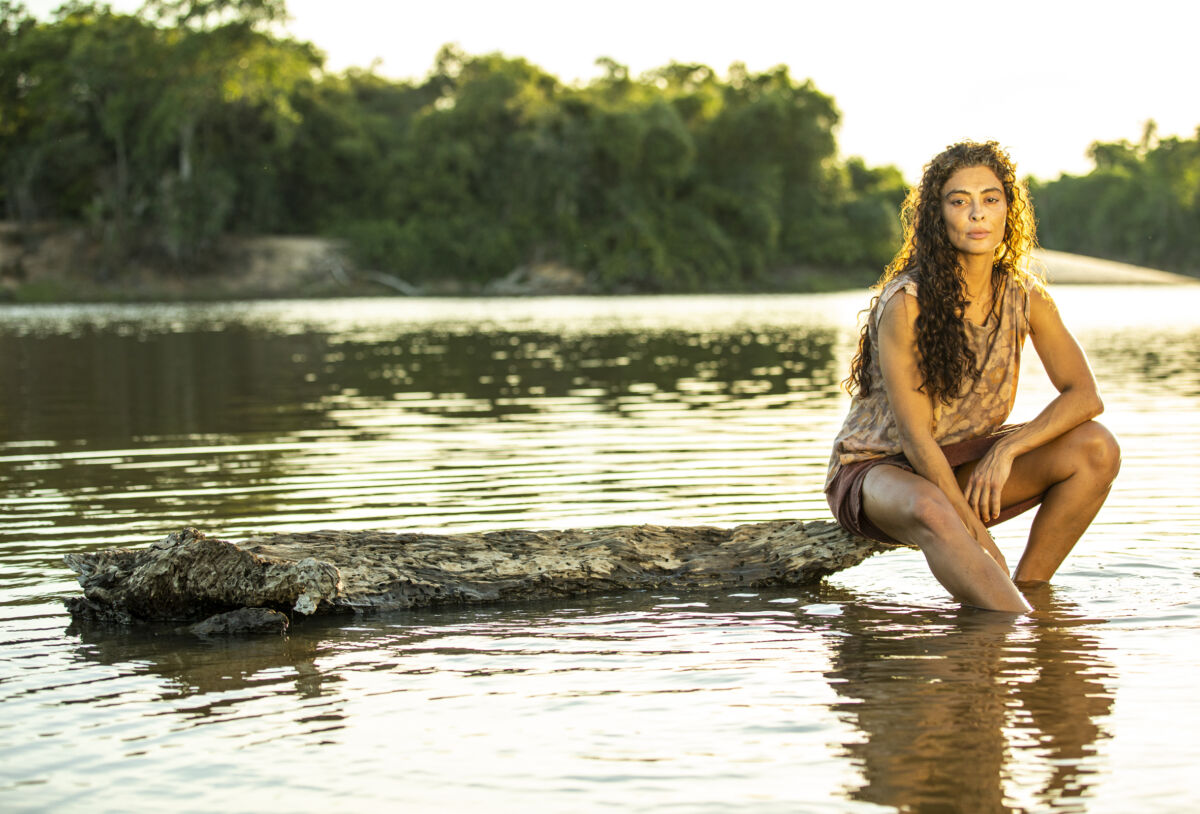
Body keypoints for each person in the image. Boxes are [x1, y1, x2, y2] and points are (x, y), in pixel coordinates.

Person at [825, 140, 1121, 613]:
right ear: (937, 217)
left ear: (1009, 210)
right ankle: (1015, 620)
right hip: (880, 469)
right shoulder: (907, 303)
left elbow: (1084, 396)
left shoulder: (1024, 295)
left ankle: (1029, 596)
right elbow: (917, 441)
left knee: (1097, 448)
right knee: (931, 508)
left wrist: (1008, 448)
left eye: (990, 199)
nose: (976, 214)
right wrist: (978, 536)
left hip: (964, 459)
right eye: (959, 201)